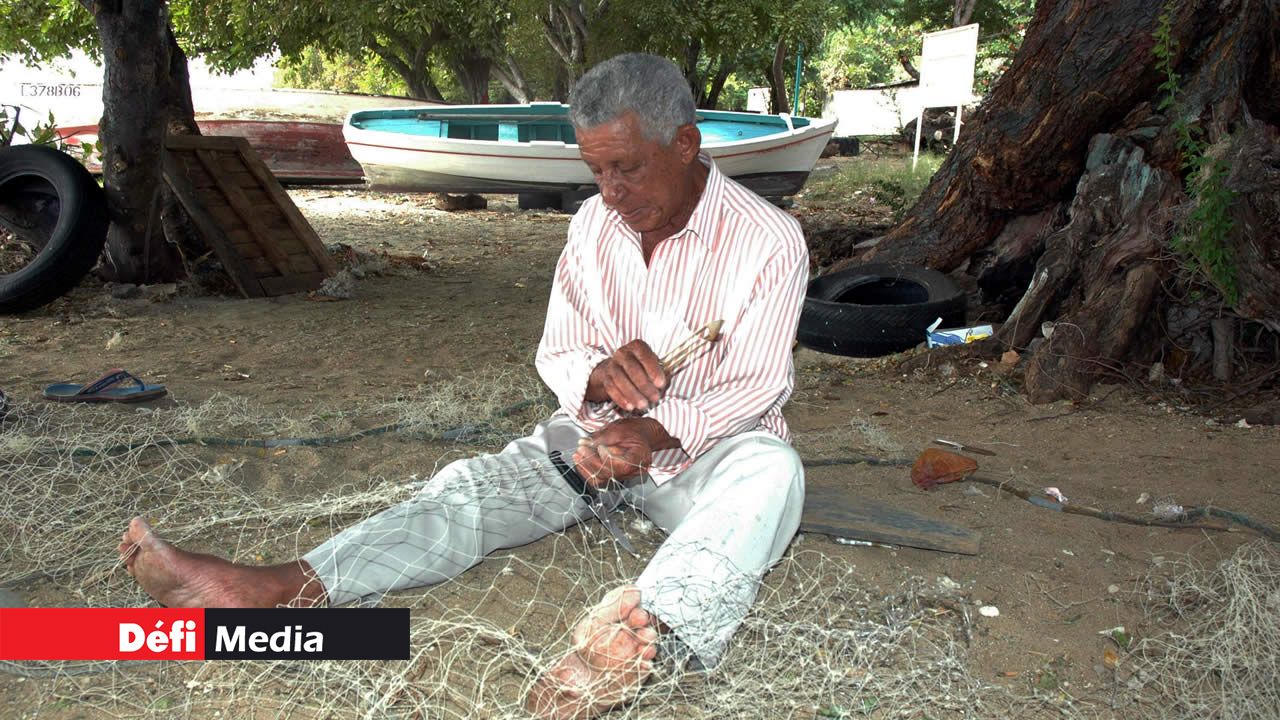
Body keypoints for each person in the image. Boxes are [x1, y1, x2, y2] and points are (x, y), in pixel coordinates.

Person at [118, 52, 808, 720]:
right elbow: (561, 351)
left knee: (772, 473)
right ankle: (280, 587)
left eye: (626, 167)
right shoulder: (594, 225)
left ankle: (636, 641)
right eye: (596, 170)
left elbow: (756, 385)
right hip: (593, 445)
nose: (610, 192)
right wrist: (598, 380)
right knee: (472, 489)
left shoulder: (768, 240)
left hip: (705, 458)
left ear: (685, 144)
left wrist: (653, 430)